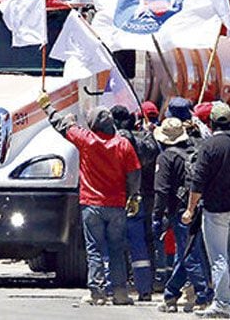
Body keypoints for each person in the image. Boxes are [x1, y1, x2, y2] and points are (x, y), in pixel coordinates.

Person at [37, 92, 140, 306]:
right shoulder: (123, 145)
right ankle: (120, 293)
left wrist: (48, 107)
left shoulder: (87, 140)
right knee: (117, 249)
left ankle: (97, 293)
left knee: (94, 249)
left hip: (91, 204)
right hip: (117, 205)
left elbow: (61, 126)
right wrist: (133, 197)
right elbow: (134, 175)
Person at [183, 102, 230, 319]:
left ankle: (222, 304)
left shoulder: (209, 146)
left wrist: (190, 209)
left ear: (212, 122)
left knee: (220, 258)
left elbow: (198, 180)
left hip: (216, 210)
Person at [153, 117, 213, 313]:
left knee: (189, 256)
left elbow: (161, 191)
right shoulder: (194, 151)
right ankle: (171, 294)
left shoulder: (166, 157)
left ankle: (203, 295)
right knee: (187, 253)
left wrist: (157, 217)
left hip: (180, 212)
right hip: (199, 207)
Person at [112, 105, 158, 301]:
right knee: (141, 245)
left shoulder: (108, 142)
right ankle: (145, 288)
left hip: (114, 199)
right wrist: (148, 133)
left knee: (113, 244)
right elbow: (153, 150)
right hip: (140, 199)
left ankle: (114, 287)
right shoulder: (142, 143)